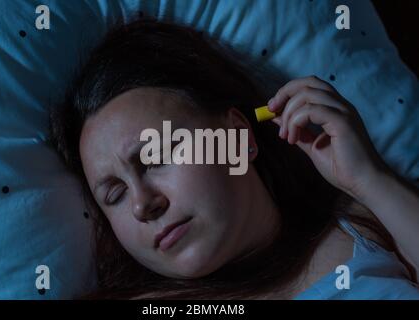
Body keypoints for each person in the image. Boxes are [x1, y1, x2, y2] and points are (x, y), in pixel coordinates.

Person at [49, 19, 419, 299]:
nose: (142, 204)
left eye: (156, 156)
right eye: (115, 194)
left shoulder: (362, 225)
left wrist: (369, 178)